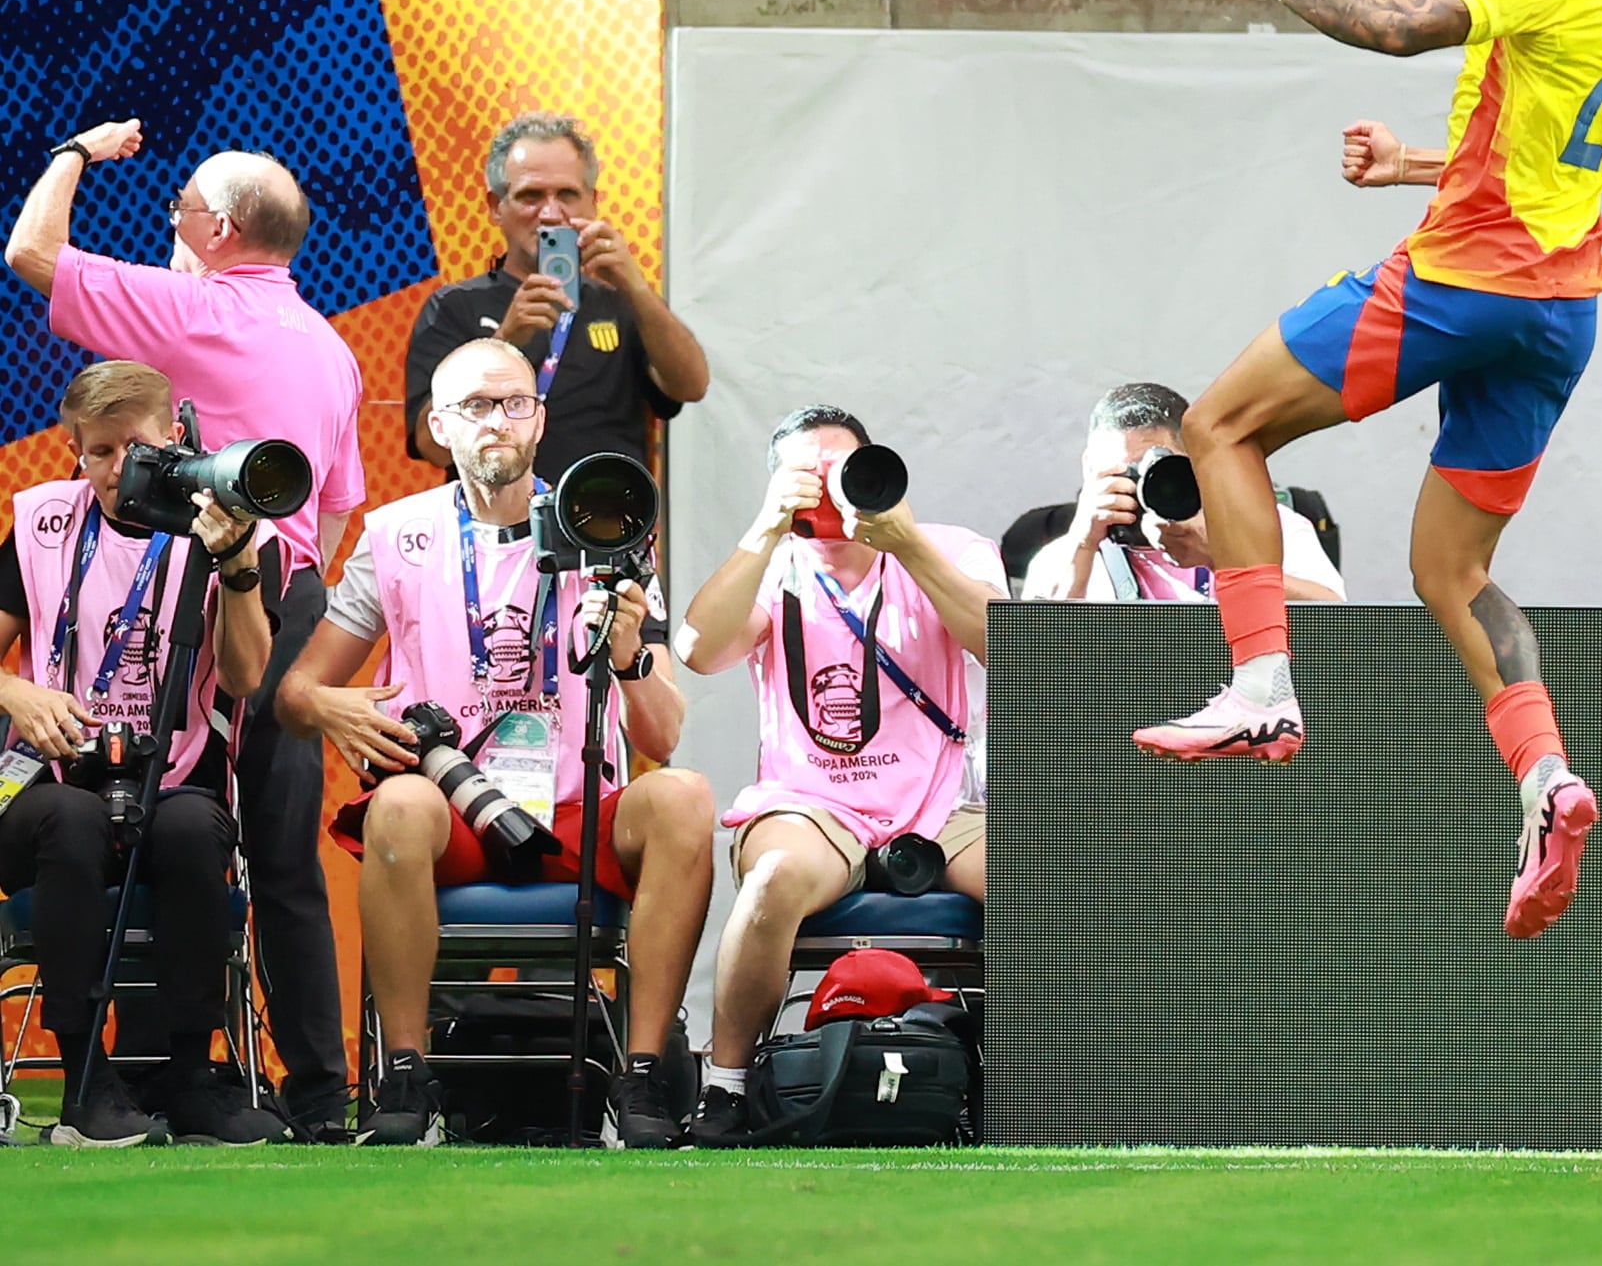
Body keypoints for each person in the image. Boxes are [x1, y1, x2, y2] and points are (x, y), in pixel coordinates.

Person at [1137, 0, 1602, 952]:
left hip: (1463, 281)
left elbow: (1395, 25)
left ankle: (1261, 690)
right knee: (1453, 566)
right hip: (1558, 307)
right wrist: (1416, 161)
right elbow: (1545, 151)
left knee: (1218, 427)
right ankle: (1543, 778)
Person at [9, 121, 362, 1141]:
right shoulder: (331, 347)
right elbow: (334, 511)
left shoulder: (193, 304)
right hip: (284, 589)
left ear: (214, 227)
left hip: (203, 587)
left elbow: (30, 250)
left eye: (176, 214)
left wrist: (76, 152)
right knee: (274, 852)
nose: (169, 228)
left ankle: (149, 1072)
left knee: (166, 804)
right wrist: (274, 587)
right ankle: (317, 1095)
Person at [283, 338, 719, 1149]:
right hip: (454, 810)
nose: (499, 422)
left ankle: (642, 1074)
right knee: (401, 803)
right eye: (477, 406)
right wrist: (335, 709)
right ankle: (406, 1075)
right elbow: (297, 691)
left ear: (541, 418)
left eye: (516, 402)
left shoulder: (606, 519)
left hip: (576, 805)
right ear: (440, 425)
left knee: (685, 797)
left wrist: (627, 656)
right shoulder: (397, 534)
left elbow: (660, 730)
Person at [674, 404, 1001, 1146]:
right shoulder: (772, 564)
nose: (829, 489)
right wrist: (763, 528)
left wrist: (905, 541)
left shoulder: (950, 548)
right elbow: (699, 648)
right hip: (811, 804)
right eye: (807, 475)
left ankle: (1052, 1079)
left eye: (844, 470)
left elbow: (1007, 642)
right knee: (773, 879)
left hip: (940, 804)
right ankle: (725, 1088)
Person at [0, 361, 282, 1148]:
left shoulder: (223, 524)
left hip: (172, 776)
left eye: (134, 447)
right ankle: (86, 1080)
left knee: (194, 828)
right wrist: (18, 693)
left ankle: (190, 1074)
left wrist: (235, 565)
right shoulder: (43, 523)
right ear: (74, 451)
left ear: (175, 437)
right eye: (96, 451)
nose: (116, 469)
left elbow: (248, 674)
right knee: (70, 817)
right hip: (50, 783)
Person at [399, 114, 710, 483]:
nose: (550, 213)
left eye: (567, 195)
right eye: (531, 196)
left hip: (606, 524)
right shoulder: (453, 307)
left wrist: (636, 287)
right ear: (496, 207)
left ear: (592, 203)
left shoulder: (624, 304)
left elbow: (691, 386)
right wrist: (504, 343)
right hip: (499, 530)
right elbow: (432, 446)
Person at [1020, 383, 1347, 605]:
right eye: (1120, 473)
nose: (1138, 487)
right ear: (1089, 468)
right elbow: (1033, 658)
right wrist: (1083, 542)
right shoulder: (1066, 555)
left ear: (1197, 463)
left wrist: (1223, 558)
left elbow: (1334, 622)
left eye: (1153, 470)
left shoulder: (1265, 526)